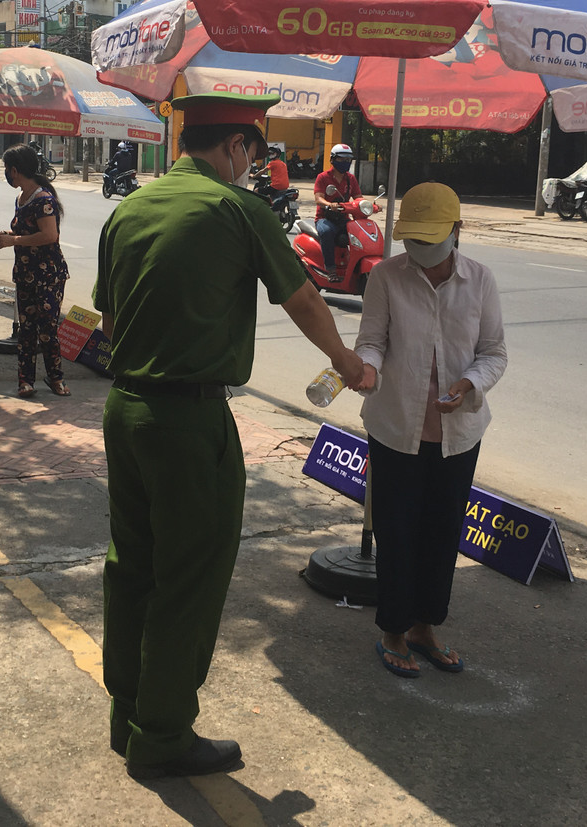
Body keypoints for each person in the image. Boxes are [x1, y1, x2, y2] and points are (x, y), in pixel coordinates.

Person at [94, 91, 365, 781]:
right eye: (253, 152)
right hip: (189, 421)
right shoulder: (238, 209)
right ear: (237, 146)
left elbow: (108, 318)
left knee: (132, 565)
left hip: (125, 410)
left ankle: (128, 717)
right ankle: (162, 736)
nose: (252, 165)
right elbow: (303, 298)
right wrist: (347, 362)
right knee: (189, 574)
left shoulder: (129, 209)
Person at [353, 182, 507, 679]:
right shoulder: (386, 276)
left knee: (442, 535)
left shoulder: (480, 280)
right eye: (413, 239)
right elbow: (372, 340)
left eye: (430, 238)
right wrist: (367, 368)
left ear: (457, 230)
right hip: (396, 428)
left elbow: (494, 353)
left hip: (459, 434)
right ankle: (393, 632)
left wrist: (468, 384)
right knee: (396, 533)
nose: (420, 248)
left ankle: (425, 628)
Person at [0, 144, 69, 398]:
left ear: (15, 170)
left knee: (47, 329)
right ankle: (26, 381)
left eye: (6, 169)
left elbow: (49, 235)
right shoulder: (21, 198)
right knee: (26, 330)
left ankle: (55, 378)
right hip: (25, 274)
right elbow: (24, 232)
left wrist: (13, 240)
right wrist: (5, 236)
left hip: (48, 276)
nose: (6, 174)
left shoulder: (44, 200)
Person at [313, 143, 362, 277]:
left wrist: (368, 205)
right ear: (333, 159)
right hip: (325, 218)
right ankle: (331, 270)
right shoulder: (323, 177)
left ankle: (355, 266)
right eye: (341, 159)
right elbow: (318, 199)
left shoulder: (351, 179)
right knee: (327, 232)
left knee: (360, 233)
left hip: (343, 218)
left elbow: (358, 197)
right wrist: (329, 204)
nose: (345, 162)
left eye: (348, 159)